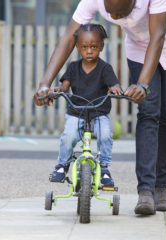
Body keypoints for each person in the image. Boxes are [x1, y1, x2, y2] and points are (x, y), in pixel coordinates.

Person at [34, 0, 166, 215]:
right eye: (111, 14)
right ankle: (146, 191)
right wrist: (45, 84)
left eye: (121, 13)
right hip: (139, 47)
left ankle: (161, 187)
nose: (117, 19)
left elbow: (158, 36)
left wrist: (143, 84)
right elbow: (68, 37)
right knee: (148, 112)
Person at [48, 24, 123, 188]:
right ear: (77, 47)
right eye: (84, 47)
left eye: (94, 47)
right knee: (68, 136)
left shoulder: (105, 69)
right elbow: (64, 85)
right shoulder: (73, 67)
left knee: (105, 135)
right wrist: (59, 90)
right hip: (76, 112)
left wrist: (115, 88)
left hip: (99, 112)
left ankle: (104, 168)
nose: (89, 51)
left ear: (101, 47)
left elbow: (114, 84)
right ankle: (62, 165)